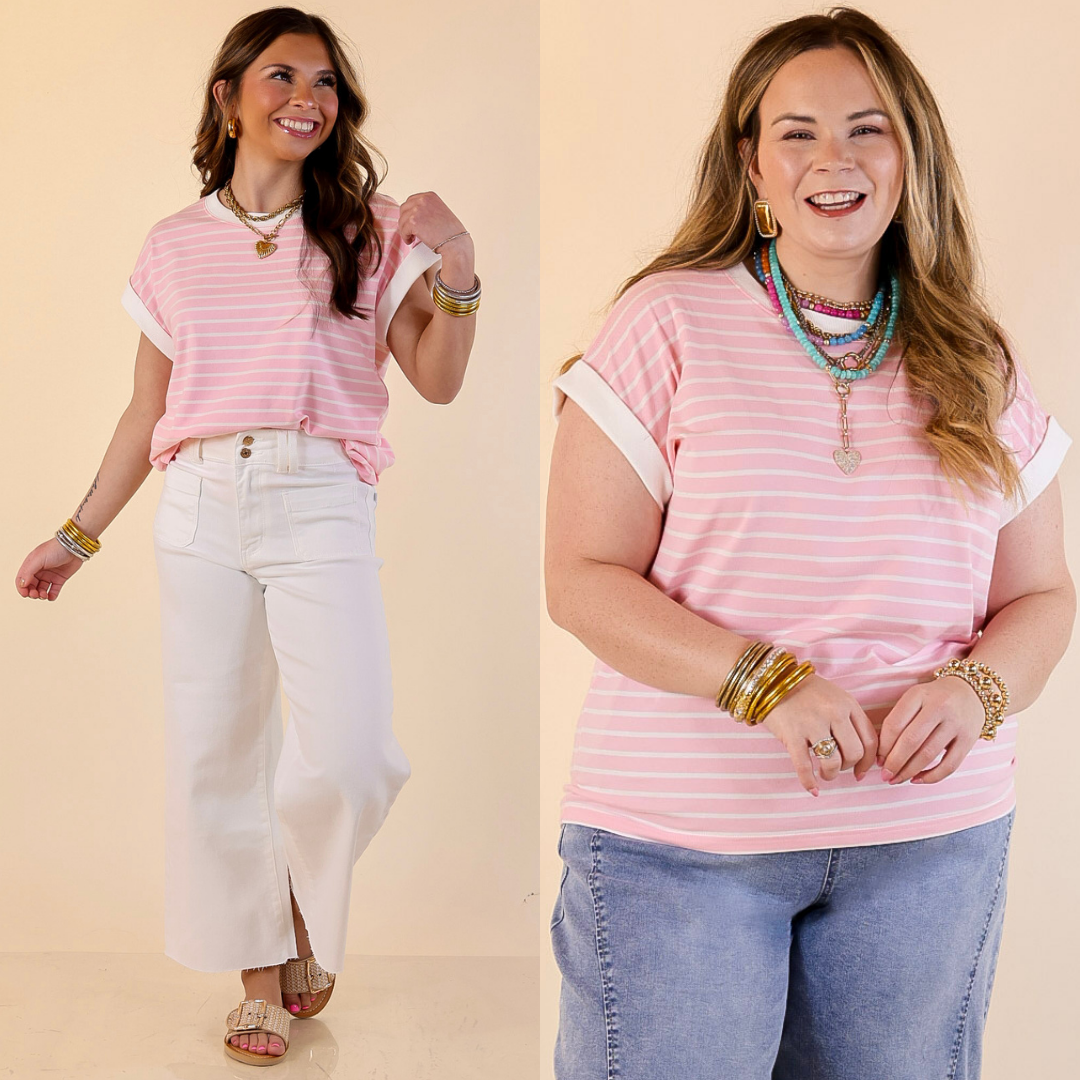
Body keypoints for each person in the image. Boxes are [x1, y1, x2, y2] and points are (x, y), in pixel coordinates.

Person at [544, 7, 1073, 1078]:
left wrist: (976, 691)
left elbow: (1044, 596)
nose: (834, 158)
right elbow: (581, 579)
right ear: (752, 167)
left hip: (929, 848)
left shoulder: (978, 355)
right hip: (683, 846)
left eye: (868, 129)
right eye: (798, 133)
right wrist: (763, 682)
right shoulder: (667, 320)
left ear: (911, 155)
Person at [14, 7, 479, 1066]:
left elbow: (441, 381)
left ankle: (297, 908)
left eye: (323, 82)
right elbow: (147, 411)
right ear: (228, 97)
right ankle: (262, 974)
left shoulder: (367, 227)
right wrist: (77, 537)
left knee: (352, 752)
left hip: (322, 496)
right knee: (217, 751)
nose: (305, 99)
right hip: (200, 504)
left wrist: (455, 254)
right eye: (280, 76)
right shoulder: (174, 244)